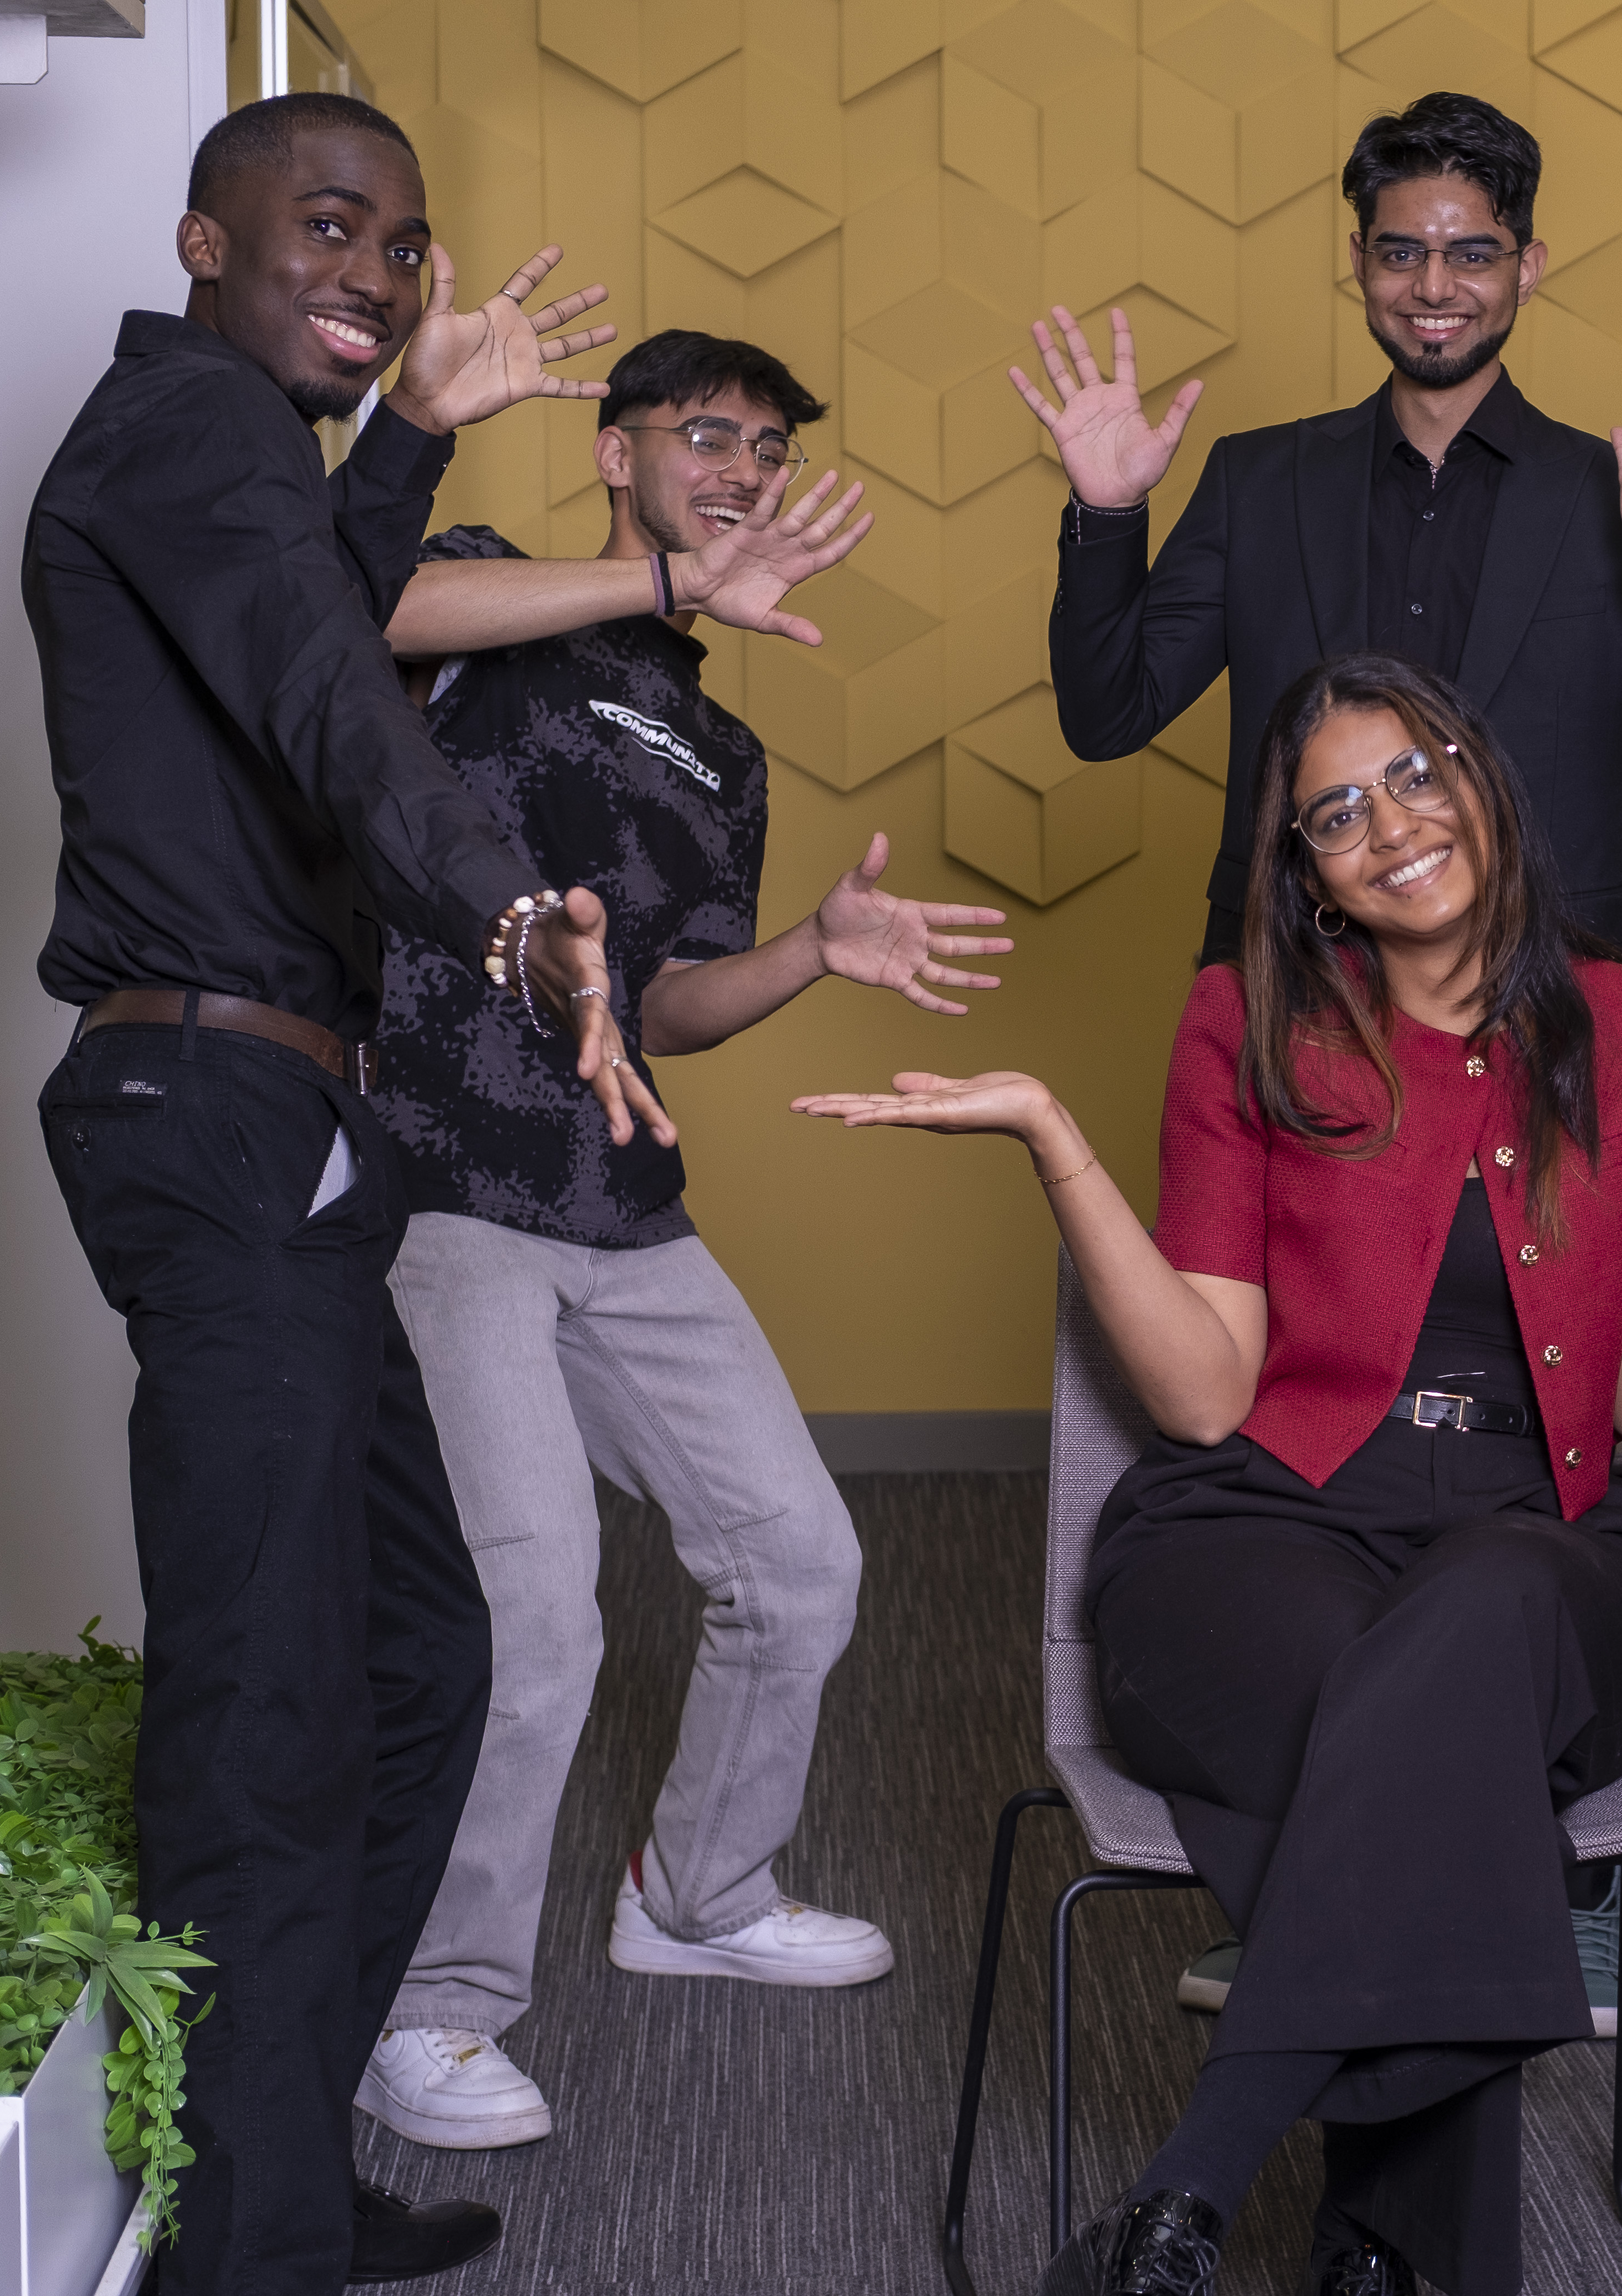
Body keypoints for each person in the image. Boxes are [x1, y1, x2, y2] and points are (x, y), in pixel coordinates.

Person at [792, 652, 1622, 2296]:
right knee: (1442, 1768)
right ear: (1306, 874)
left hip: (1545, 1542)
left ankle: (1188, 2197)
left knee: (1475, 1635)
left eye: (1420, 772)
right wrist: (1057, 1148)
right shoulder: (1247, 1021)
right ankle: (1380, 2261)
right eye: (1337, 814)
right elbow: (1205, 1390)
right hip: (1253, 1531)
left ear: (1488, 783)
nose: (1392, 824)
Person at [26, 91, 656, 2294]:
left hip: (274, 1130)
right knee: (271, 1702)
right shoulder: (185, 429)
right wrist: (503, 911)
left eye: (403, 240)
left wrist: (398, 446)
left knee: (413, 1648)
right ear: (206, 240)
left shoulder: (241, 467)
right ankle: (249, 2246)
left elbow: (298, 613)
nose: (377, 267)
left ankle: (273, 2166)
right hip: (206, 1108)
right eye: (329, 223)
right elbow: (328, 698)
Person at [341, 329, 1011, 2152]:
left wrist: (812, 953)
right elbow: (360, 612)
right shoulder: (483, 593)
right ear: (618, 454)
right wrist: (655, 580)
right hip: (451, 1188)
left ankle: (698, 1896)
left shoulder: (717, 747)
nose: (739, 470)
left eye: (768, 454)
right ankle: (433, 2004)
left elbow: (678, 1002)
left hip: (624, 1207)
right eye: (703, 436)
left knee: (799, 1560)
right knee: (531, 1612)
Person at [1014, 89, 1622, 966]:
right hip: (1297, 986)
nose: (1433, 287)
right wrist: (1109, 513)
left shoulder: (1618, 499)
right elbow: (1106, 719)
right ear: (1359, 261)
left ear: (1527, 268)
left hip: (1548, 991)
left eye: (1472, 254)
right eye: (1402, 252)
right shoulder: (1258, 482)